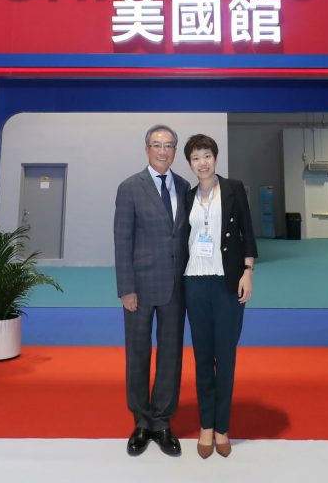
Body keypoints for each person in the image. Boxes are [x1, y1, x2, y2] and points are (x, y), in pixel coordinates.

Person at [113, 124, 190, 457]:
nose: (163, 150)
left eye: (169, 145)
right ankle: (141, 422)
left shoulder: (184, 187)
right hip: (140, 289)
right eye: (157, 145)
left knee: (171, 356)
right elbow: (122, 241)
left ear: (175, 151)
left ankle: (162, 421)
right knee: (138, 354)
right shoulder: (129, 187)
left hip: (175, 287)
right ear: (147, 149)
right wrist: (126, 288)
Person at [179, 133, 257, 459]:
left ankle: (222, 427)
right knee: (202, 357)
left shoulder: (234, 188)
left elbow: (247, 232)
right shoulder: (186, 196)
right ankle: (206, 426)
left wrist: (248, 271)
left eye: (207, 155)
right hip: (194, 283)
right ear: (190, 163)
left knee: (225, 357)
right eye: (196, 157)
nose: (202, 162)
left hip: (227, 283)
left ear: (215, 157)